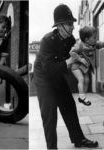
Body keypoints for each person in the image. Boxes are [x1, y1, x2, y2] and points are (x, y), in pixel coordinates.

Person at [34, 4, 98, 149]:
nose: (72, 27)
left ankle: (79, 139)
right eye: (69, 24)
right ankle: (52, 147)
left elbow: (77, 58)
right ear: (59, 25)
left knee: (69, 105)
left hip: (56, 75)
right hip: (43, 77)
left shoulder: (70, 40)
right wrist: (69, 61)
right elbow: (48, 68)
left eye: (72, 23)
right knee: (49, 113)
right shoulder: (47, 40)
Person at [70, 26, 104, 106]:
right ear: (87, 40)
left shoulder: (93, 44)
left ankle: (83, 96)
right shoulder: (79, 44)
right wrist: (80, 59)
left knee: (87, 80)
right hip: (76, 65)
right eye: (94, 37)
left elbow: (100, 44)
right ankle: (82, 97)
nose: (96, 39)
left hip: (84, 66)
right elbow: (72, 52)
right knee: (81, 79)